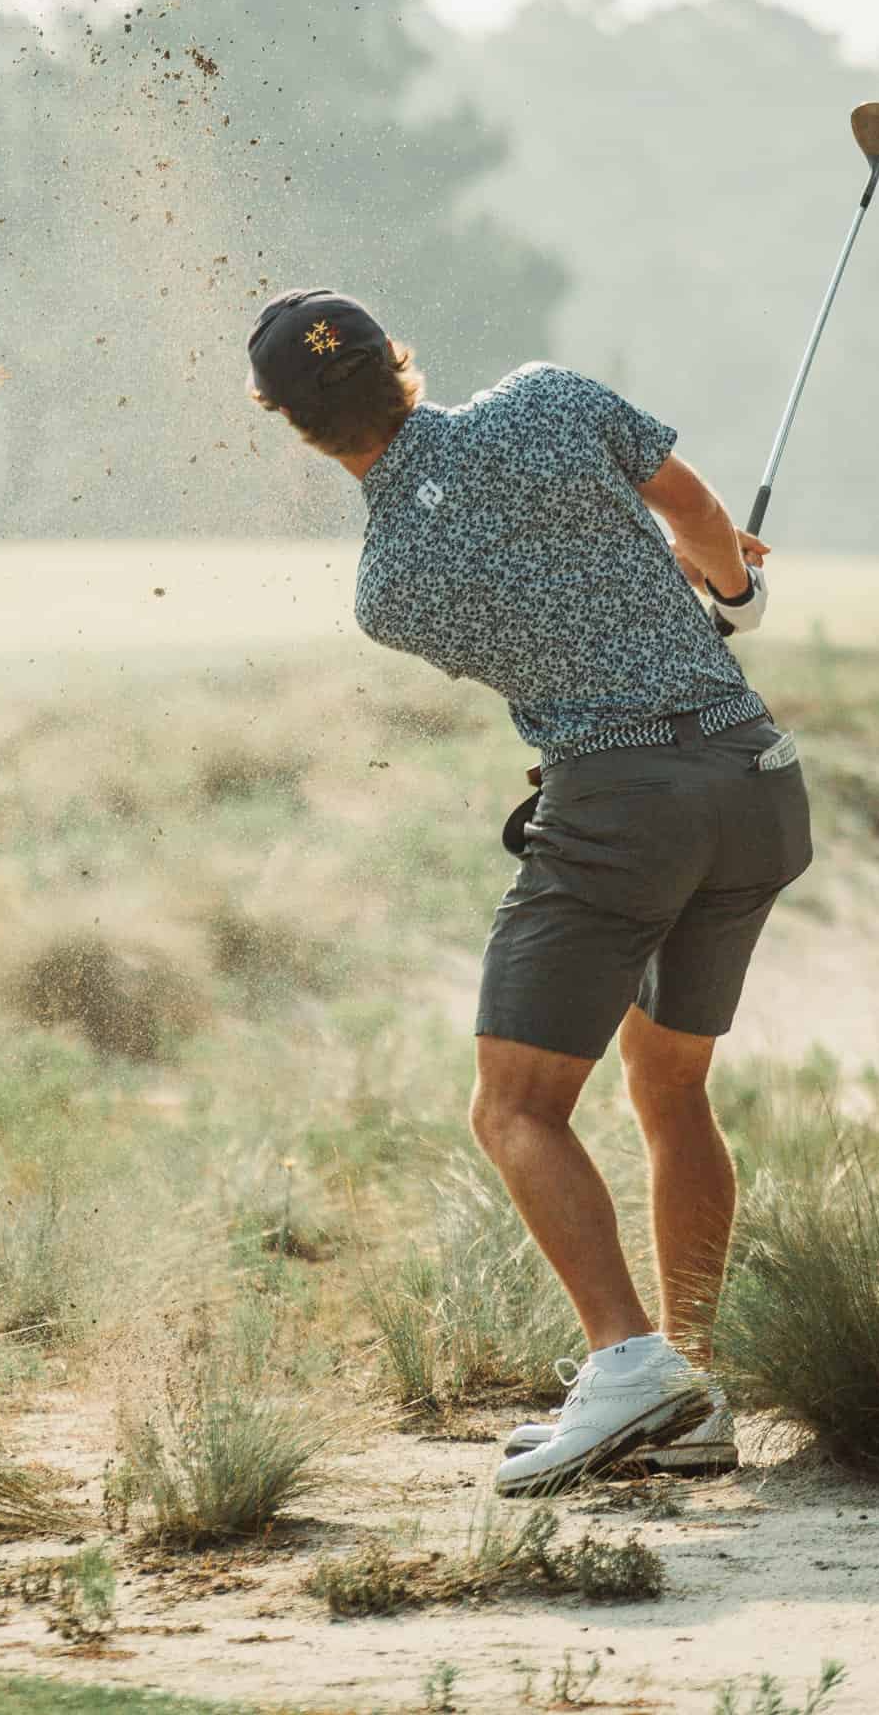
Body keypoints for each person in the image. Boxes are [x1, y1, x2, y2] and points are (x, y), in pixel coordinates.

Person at [247, 288, 812, 1495]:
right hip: (755, 788)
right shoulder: (552, 398)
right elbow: (699, 519)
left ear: (290, 424)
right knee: (670, 1091)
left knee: (513, 1108)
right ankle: (691, 1389)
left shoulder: (387, 590)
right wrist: (728, 592)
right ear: (403, 360)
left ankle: (626, 1364)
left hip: (621, 815)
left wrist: (656, 601)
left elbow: (550, 626)